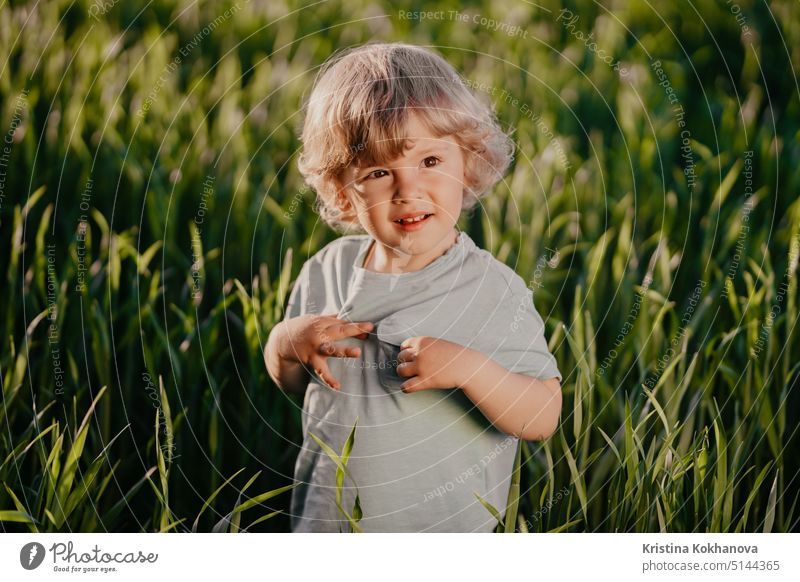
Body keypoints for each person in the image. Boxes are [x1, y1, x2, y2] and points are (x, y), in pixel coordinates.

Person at [264, 42, 562, 532]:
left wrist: (469, 369)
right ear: (342, 189)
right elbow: (300, 388)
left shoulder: (490, 289)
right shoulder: (325, 270)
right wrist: (286, 346)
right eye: (379, 173)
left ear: (468, 162)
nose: (408, 191)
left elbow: (542, 415)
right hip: (327, 527)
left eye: (429, 161)